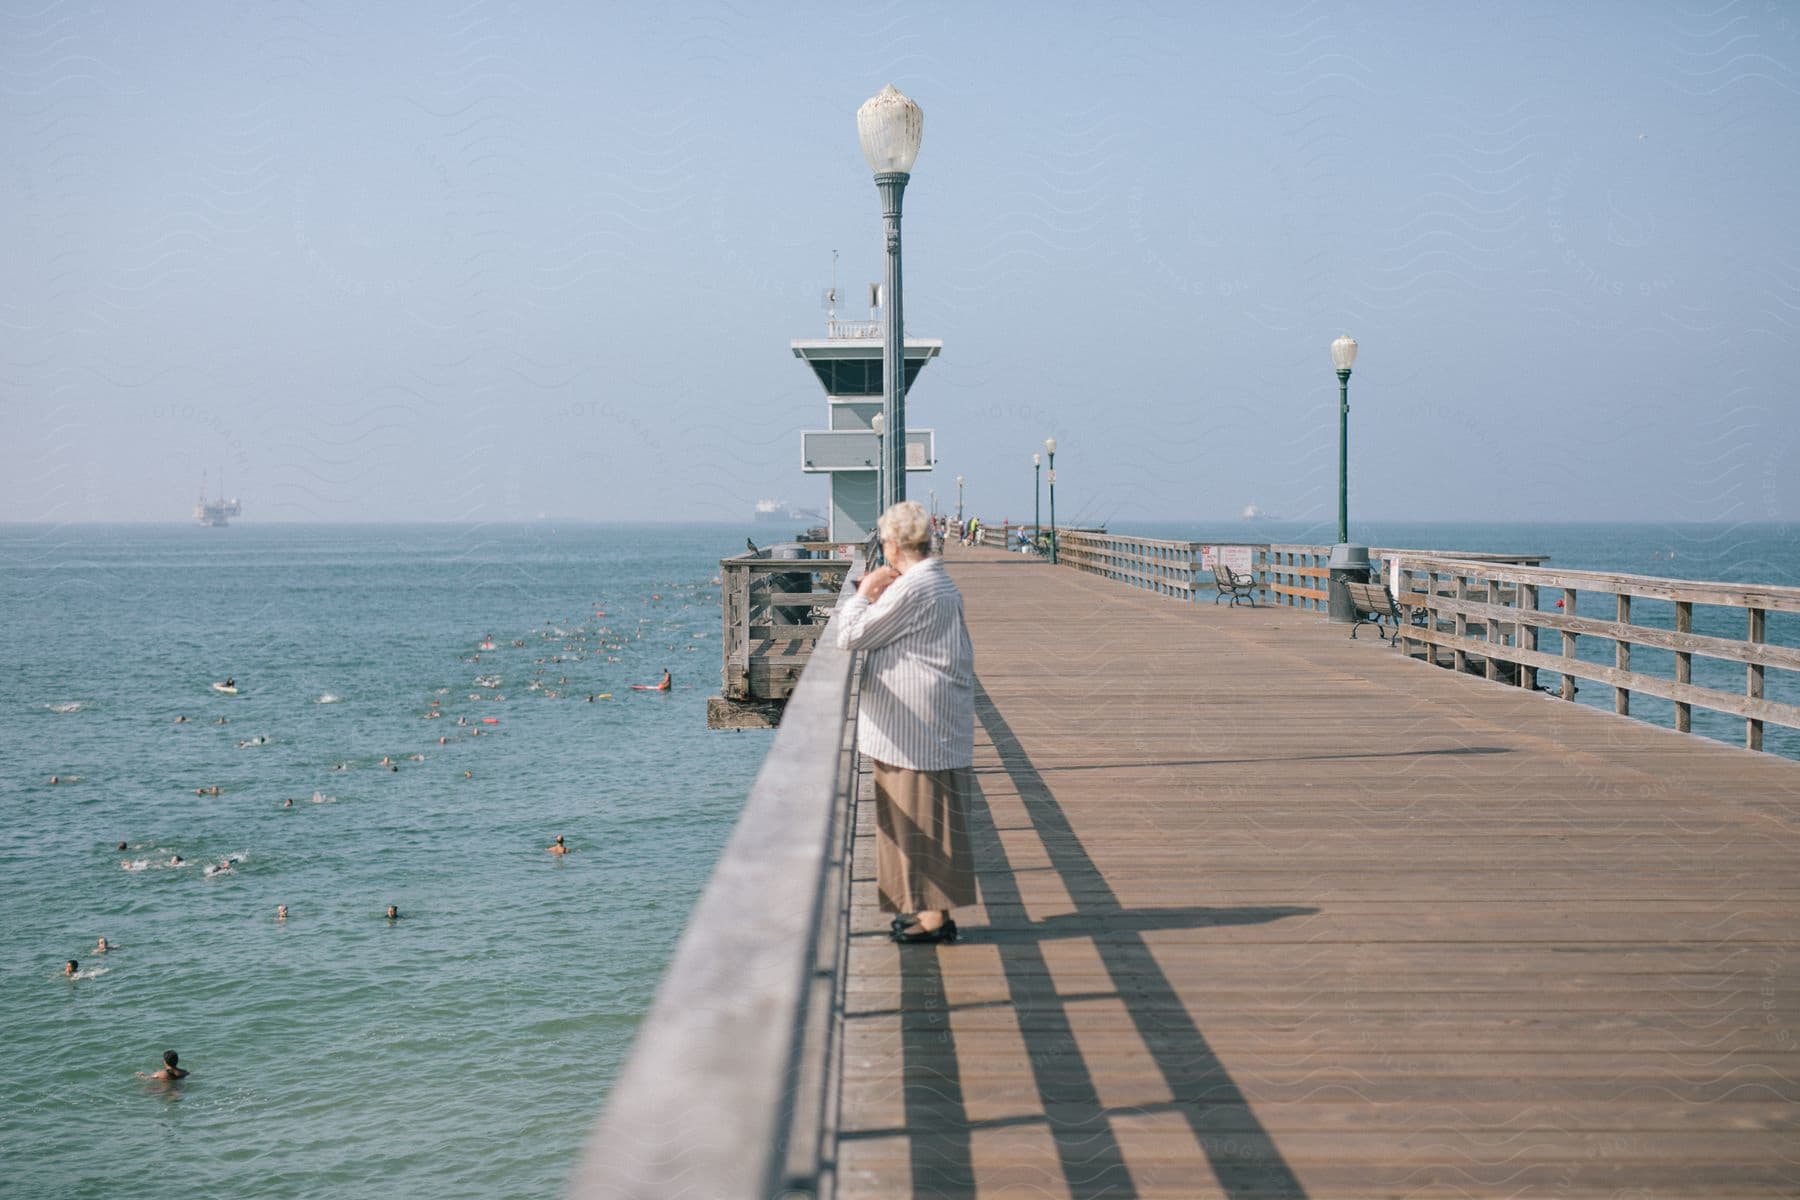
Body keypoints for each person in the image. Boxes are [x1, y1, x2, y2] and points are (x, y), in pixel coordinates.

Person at [835, 500, 977, 944]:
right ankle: (924, 910)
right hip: (922, 720)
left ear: (892, 545)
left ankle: (934, 918)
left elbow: (851, 635)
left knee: (919, 817)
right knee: (920, 816)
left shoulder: (915, 588)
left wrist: (864, 592)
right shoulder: (935, 583)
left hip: (915, 725)